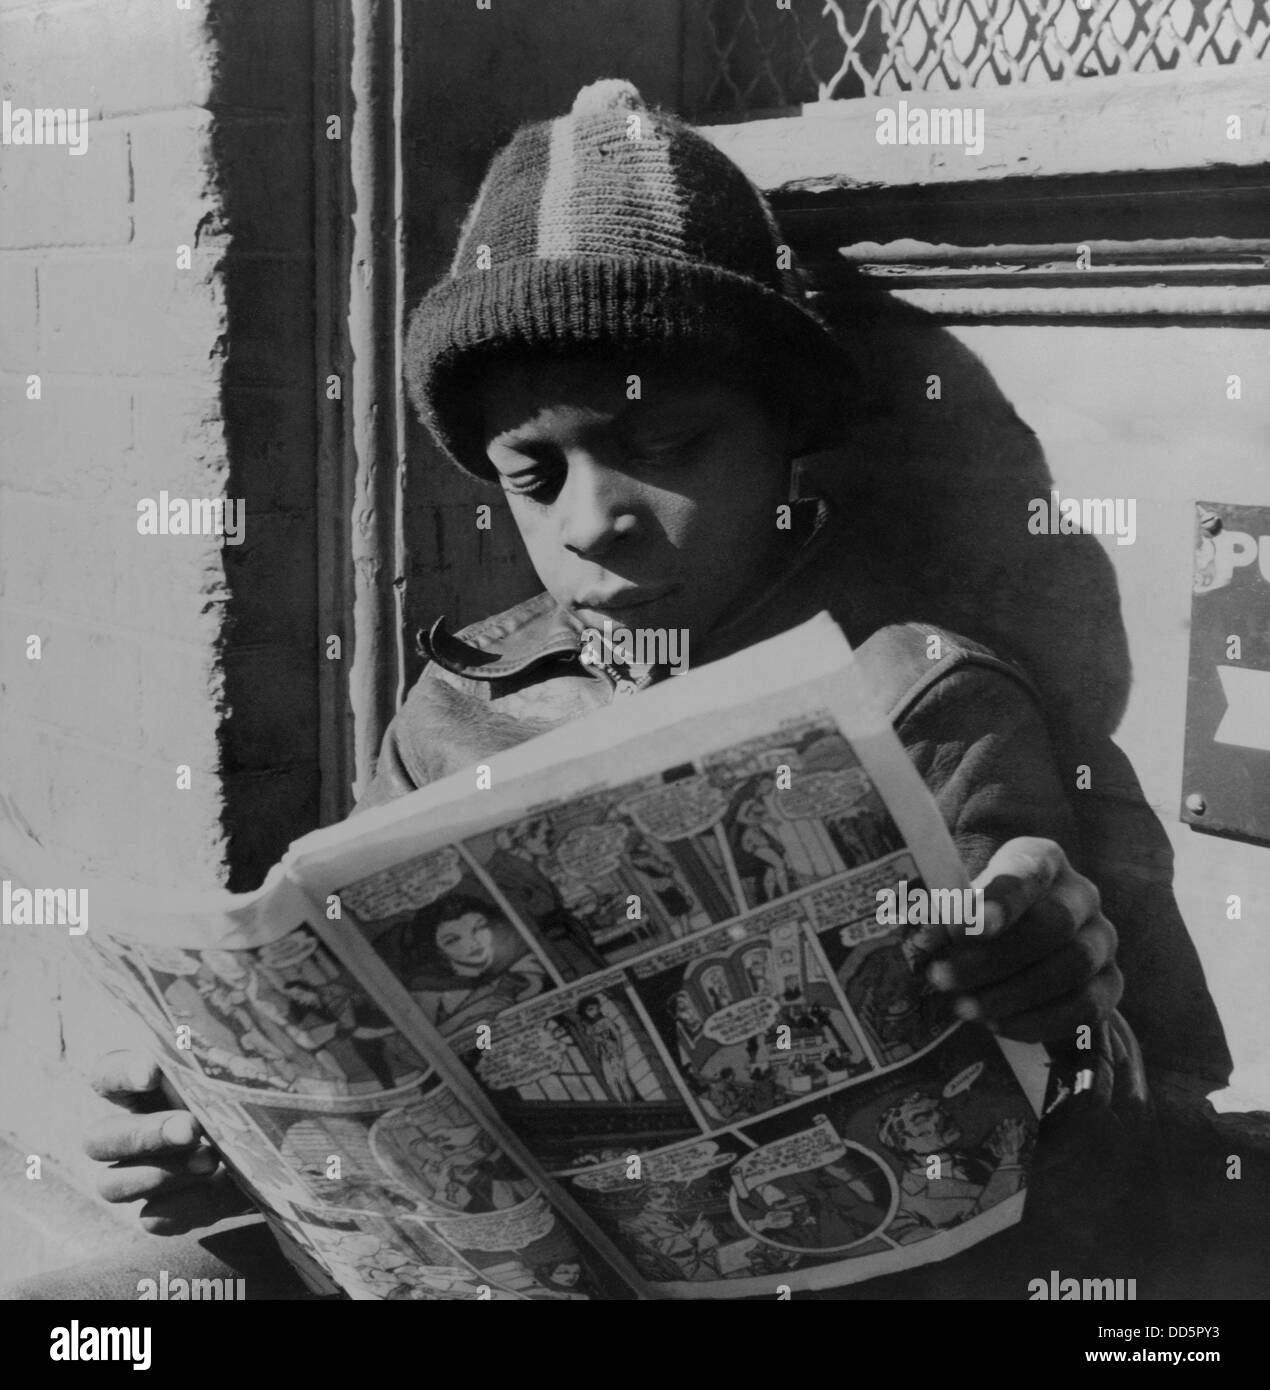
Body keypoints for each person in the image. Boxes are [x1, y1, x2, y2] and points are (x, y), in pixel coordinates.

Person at [64, 78, 1226, 1300]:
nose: (594, 522)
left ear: (785, 439)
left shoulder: (920, 702)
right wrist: (246, 1143)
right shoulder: (459, 702)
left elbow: (1144, 1137)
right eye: (533, 472)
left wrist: (1069, 1007)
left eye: (667, 451)